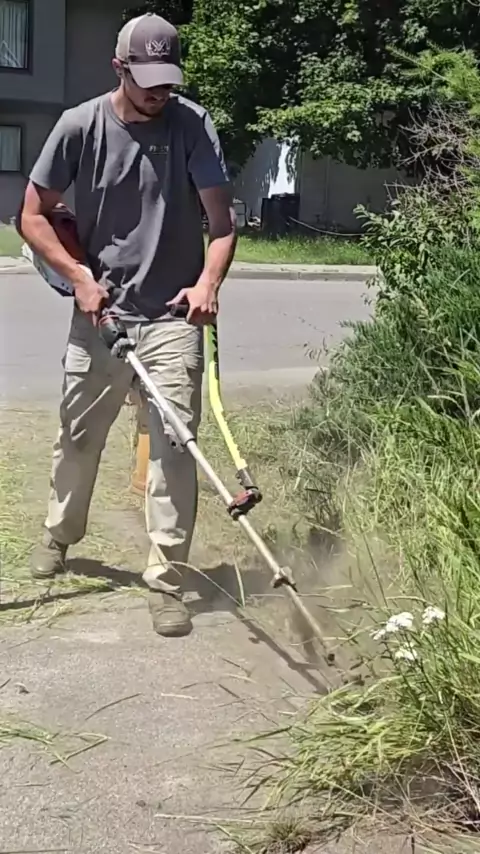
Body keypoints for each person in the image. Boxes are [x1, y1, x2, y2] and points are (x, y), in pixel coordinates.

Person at [18, 12, 237, 638]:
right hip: (101, 311)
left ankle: (167, 577)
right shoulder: (79, 126)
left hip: (172, 315)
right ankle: (60, 534)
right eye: (149, 80)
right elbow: (31, 216)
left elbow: (222, 225)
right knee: (78, 435)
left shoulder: (192, 125)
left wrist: (207, 284)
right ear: (119, 68)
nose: (161, 92)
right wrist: (79, 278)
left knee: (175, 444)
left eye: (169, 80)